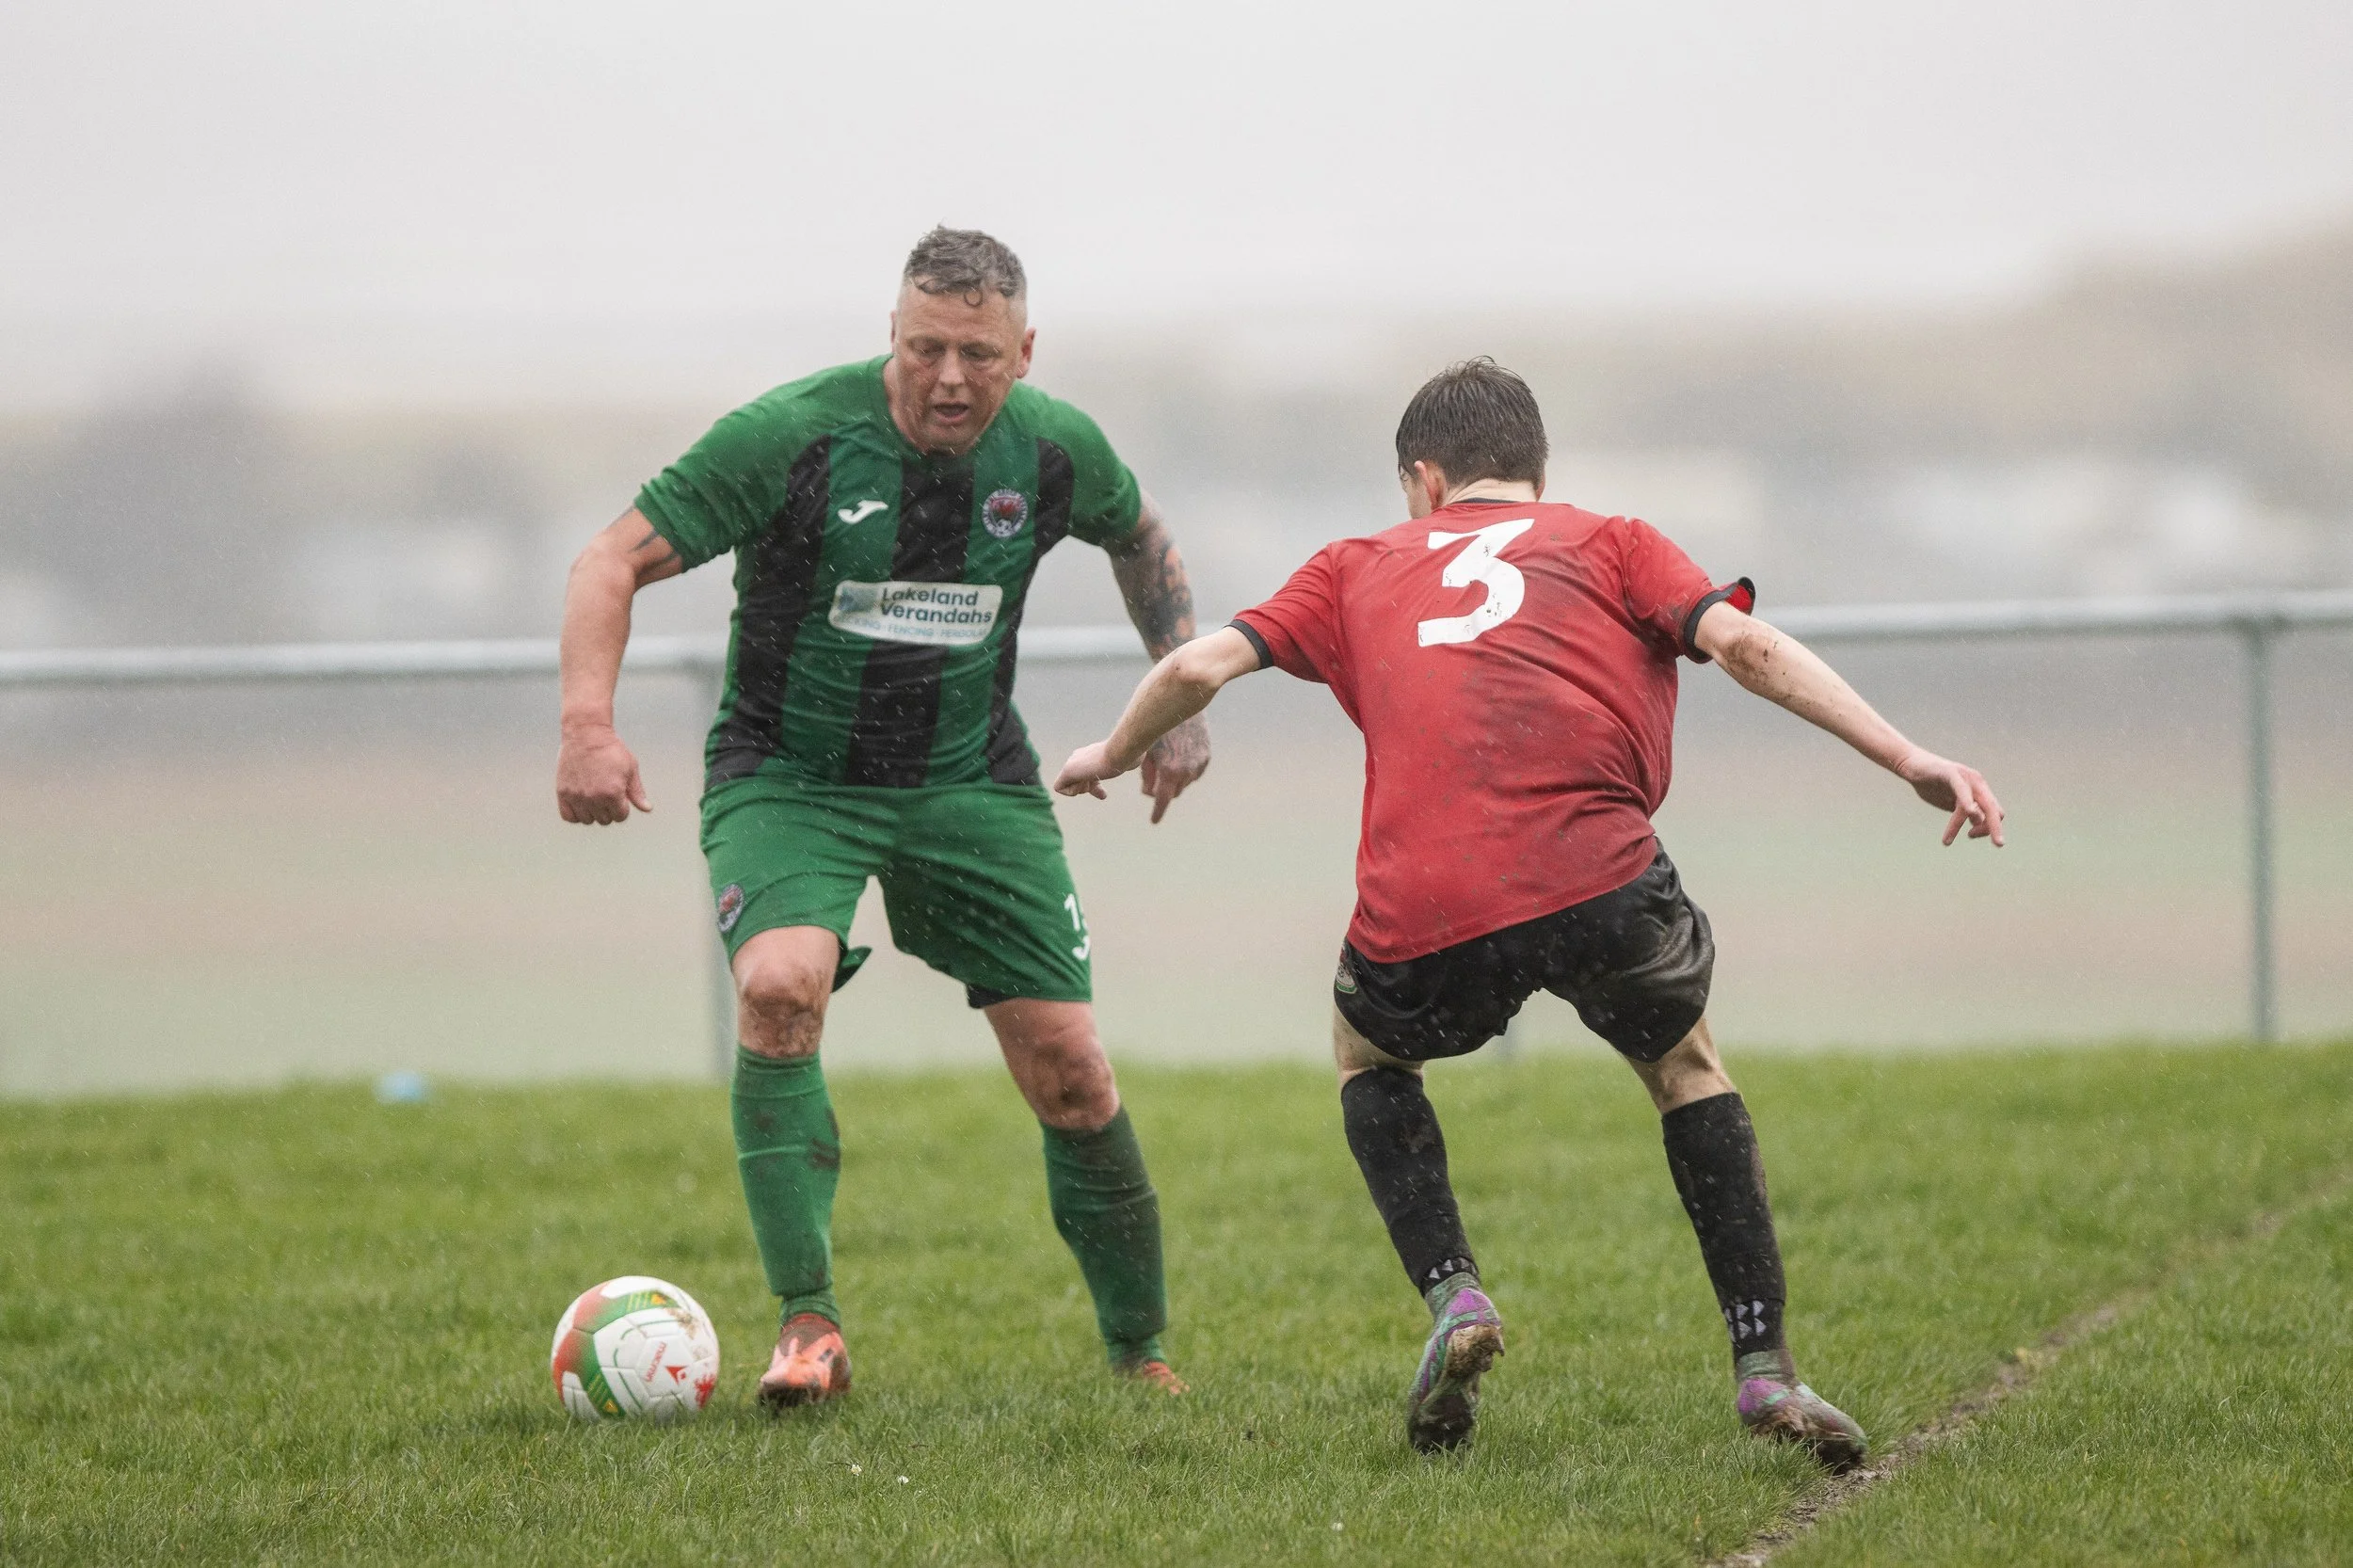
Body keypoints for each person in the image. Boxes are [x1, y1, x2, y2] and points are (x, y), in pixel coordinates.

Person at [1054, 358, 2005, 1460]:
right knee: (1686, 1067)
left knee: (1367, 1055)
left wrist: (1108, 751)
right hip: (1598, 880)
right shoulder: (1611, 541)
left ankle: (1456, 1297)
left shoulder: (1353, 563)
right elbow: (1743, 644)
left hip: (1429, 898)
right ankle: (1761, 1368)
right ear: (1535, 473)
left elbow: (1202, 663)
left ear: (1422, 477)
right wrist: (1907, 756)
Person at [556, 227, 1208, 1405]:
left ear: (1023, 350)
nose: (948, 377)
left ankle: (1140, 1355)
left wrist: (1179, 698)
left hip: (970, 781)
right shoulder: (793, 435)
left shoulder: (1055, 448)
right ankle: (809, 1329)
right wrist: (587, 728)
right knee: (777, 988)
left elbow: (1142, 533)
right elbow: (609, 561)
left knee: (1071, 1069)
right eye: (922, 350)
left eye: (976, 354)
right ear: (890, 336)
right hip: (790, 776)